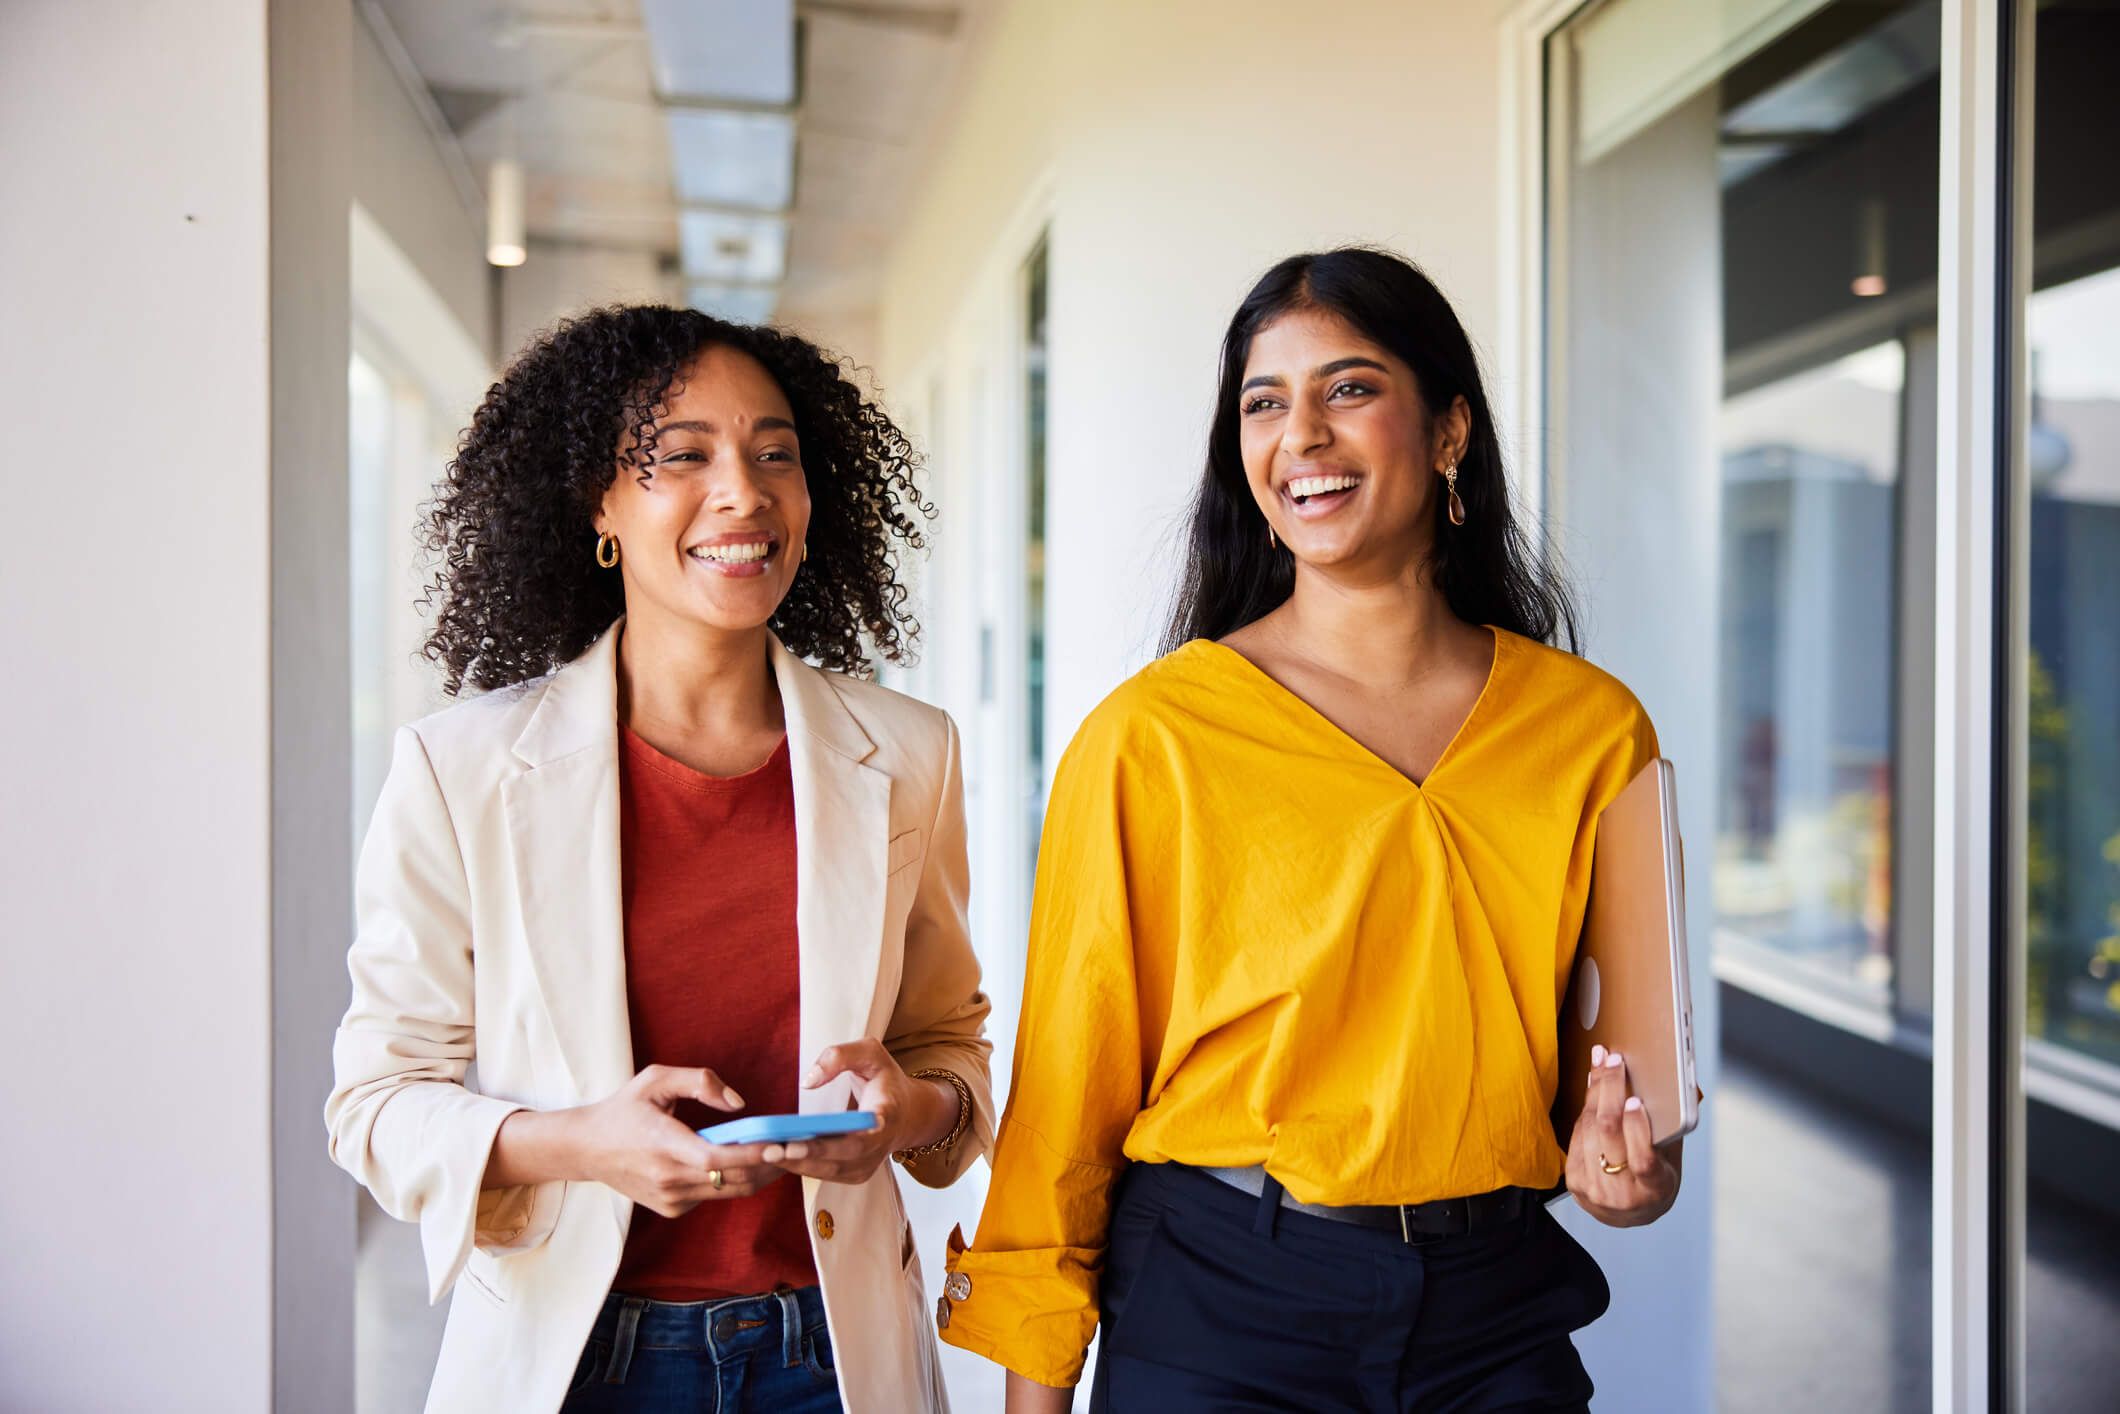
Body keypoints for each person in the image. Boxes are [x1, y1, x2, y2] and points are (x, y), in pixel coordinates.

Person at [936, 248, 1682, 1412]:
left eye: (1348, 388)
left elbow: (1626, 1075)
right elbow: (1065, 1104)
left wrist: (1632, 1177)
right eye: (1262, 402)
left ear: (1448, 432)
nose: (1301, 436)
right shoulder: (1156, 734)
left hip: (1493, 1315)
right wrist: (1033, 1392)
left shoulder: (1590, 730)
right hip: (1223, 1297)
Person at [326, 307, 992, 1414]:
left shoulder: (908, 754)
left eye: (774, 453)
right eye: (682, 456)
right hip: (576, 1363)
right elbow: (375, 1102)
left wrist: (904, 1113)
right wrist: (578, 1142)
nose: (741, 490)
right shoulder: (462, 770)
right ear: (601, 503)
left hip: (830, 1358)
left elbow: (947, 1050)